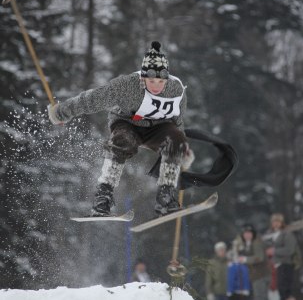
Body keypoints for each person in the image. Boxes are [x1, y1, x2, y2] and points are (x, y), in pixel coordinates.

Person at [48, 41, 194, 217]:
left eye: (160, 81)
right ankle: (103, 196)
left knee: (175, 140)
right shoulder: (127, 86)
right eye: (151, 80)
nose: (156, 86)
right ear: (143, 78)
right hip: (128, 123)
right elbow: (93, 99)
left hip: (158, 128)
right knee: (123, 141)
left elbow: (178, 123)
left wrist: (181, 149)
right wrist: (62, 113)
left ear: (167, 79)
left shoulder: (176, 90)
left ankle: (165, 197)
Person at [265, 213, 300, 300]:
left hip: (285, 264)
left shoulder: (287, 234)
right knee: (278, 290)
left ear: (282, 222)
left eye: (278, 221)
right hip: (273, 266)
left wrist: (274, 251)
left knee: (285, 290)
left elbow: (290, 249)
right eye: (274, 221)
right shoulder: (269, 235)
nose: (276, 223)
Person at [233, 224, 270, 300]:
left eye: (249, 233)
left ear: (253, 234)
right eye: (245, 234)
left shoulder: (256, 242)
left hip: (260, 274)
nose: (247, 235)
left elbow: (260, 257)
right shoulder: (246, 244)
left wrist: (245, 259)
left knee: (260, 296)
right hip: (254, 276)